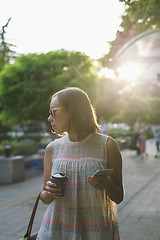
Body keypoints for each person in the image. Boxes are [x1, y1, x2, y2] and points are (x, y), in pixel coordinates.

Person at [37, 87, 124, 240]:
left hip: (95, 232)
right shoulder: (52, 148)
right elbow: (44, 198)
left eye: (53, 112)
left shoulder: (108, 145)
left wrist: (107, 184)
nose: (49, 118)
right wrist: (48, 192)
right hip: (56, 231)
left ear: (73, 111)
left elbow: (119, 197)